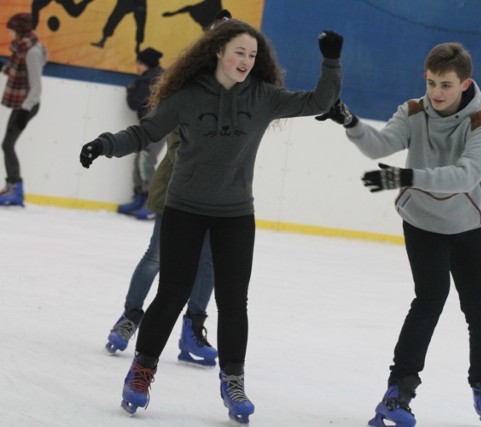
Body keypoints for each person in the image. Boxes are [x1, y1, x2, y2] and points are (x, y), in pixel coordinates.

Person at [79, 17, 343, 423]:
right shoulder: (188, 96)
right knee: (171, 294)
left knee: (234, 303)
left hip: (236, 215)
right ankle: (141, 371)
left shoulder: (264, 96)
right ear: (218, 51)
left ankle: (233, 381)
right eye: (240, 52)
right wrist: (105, 144)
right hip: (184, 208)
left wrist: (331, 63)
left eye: (253, 55)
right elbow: (146, 132)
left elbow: (318, 103)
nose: (246, 60)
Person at [316, 42, 481, 427]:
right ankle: (397, 394)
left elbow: (466, 176)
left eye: (445, 84)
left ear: (465, 84)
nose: (436, 93)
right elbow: (380, 144)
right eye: (431, 83)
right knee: (430, 299)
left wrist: (405, 176)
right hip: (423, 223)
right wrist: (349, 121)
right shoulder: (412, 111)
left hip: (469, 226)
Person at [105, 128, 218, 367]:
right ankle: (129, 317)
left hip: (216, 194)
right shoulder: (188, 96)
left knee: (207, 262)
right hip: (174, 188)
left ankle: (192, 331)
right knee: (157, 255)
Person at [0, 13, 47, 207]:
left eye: (11, 30)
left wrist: (25, 110)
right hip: (22, 102)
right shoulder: (22, 48)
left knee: (7, 145)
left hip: (27, 104)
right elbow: (17, 70)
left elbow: (36, 86)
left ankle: (16, 189)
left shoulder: (32, 51)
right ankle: (12, 186)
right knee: (7, 144)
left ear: (19, 30)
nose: (9, 33)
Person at [117, 47, 165, 216]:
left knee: (145, 161)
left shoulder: (148, 81)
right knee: (140, 160)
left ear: (146, 64)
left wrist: (131, 90)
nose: (137, 66)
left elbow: (133, 103)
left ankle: (152, 203)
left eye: (139, 63)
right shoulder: (157, 77)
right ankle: (140, 197)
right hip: (151, 127)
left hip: (156, 127)